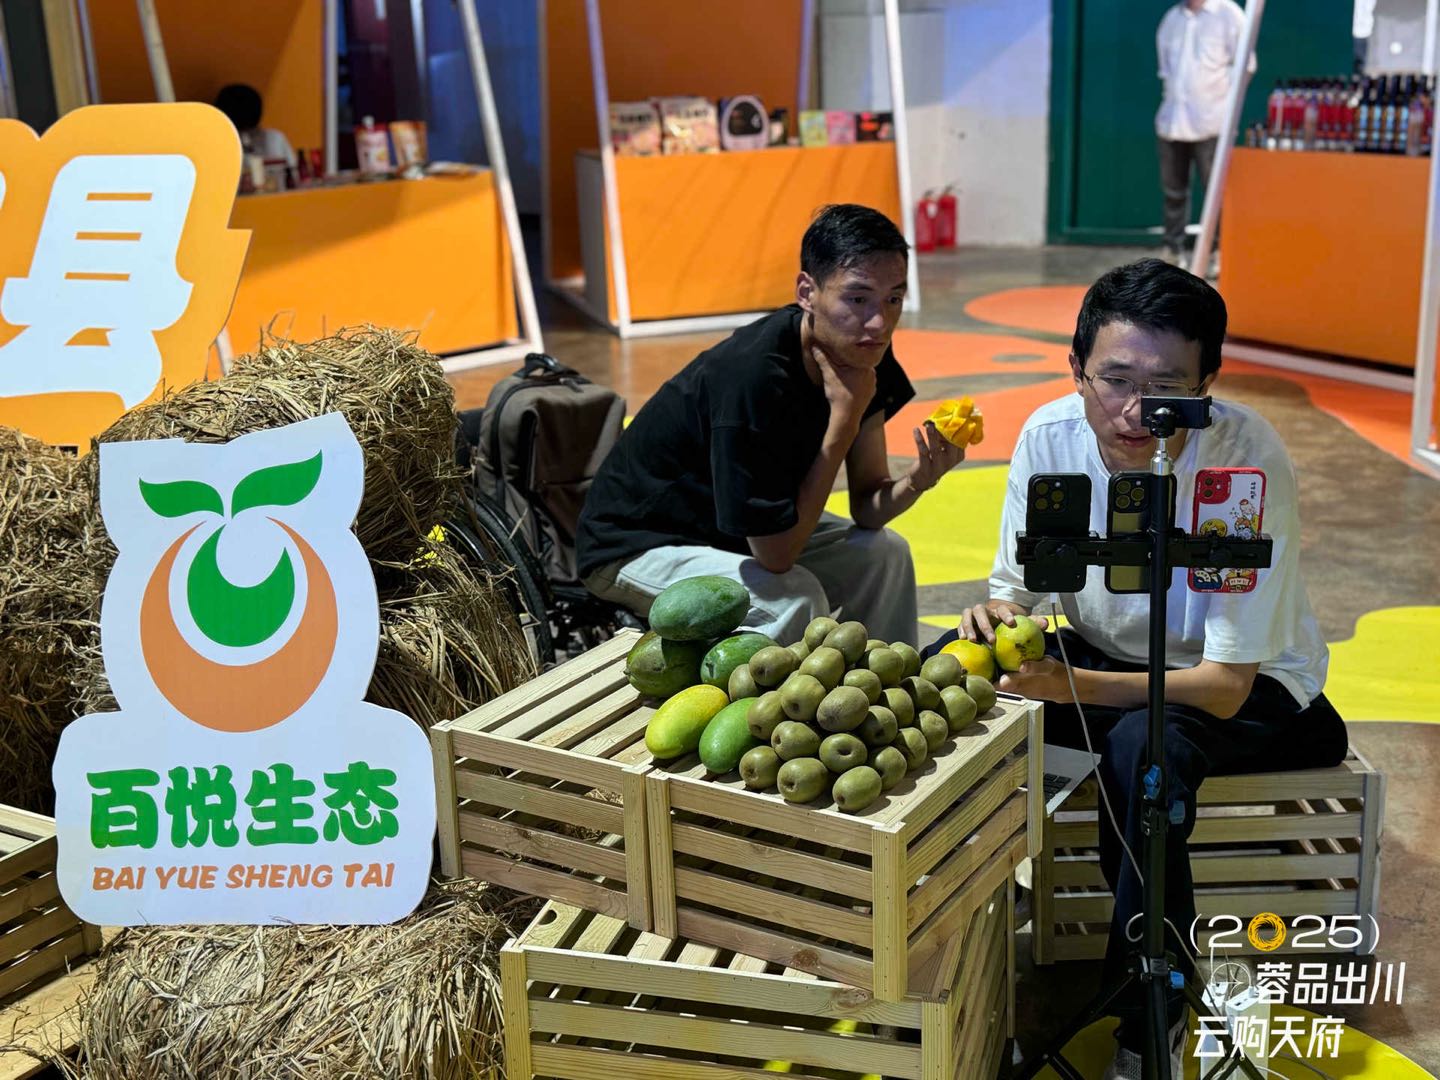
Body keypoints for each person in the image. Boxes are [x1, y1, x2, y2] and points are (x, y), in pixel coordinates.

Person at [928, 259, 1347, 1079]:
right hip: (1108, 659)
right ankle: (952, 922)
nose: (1134, 411)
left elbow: (1224, 686)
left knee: (1139, 753)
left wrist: (1070, 688)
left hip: (1245, 685)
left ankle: (1152, 1010)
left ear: (1208, 385)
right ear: (1076, 368)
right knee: (947, 670)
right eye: (1114, 379)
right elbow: (1018, 589)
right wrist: (998, 618)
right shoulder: (1050, 438)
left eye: (1166, 390)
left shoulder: (1243, 462)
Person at [575, 203, 962, 645]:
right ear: (807, 292)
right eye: (857, 299)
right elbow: (777, 557)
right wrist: (843, 422)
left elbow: (867, 506)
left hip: (735, 531)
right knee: (792, 598)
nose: (879, 322)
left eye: (893, 299)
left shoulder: (864, 349)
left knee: (884, 553)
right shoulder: (752, 377)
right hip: (637, 544)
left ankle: (881, 682)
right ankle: (793, 694)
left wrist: (916, 481)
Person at [1155, 0, 1252, 264]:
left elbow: (1246, 66)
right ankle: (1173, 250)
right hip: (1173, 121)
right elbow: (1166, 70)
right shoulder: (1172, 20)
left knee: (1216, 194)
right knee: (1173, 191)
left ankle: (1220, 252)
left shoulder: (1229, 15)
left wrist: (1223, 105)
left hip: (1212, 122)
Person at [213, 83, 297, 169]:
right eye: (241, 130)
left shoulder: (275, 139)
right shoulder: (217, 147)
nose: (246, 135)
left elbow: (295, 172)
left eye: (249, 129)